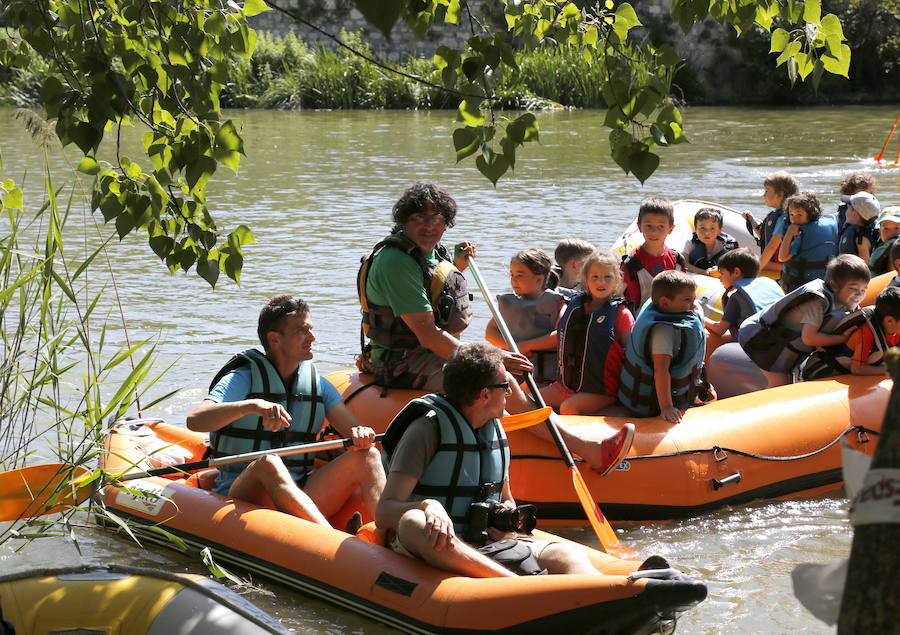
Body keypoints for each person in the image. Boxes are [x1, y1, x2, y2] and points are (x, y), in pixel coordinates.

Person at [358, 182, 623, 471]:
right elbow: (428, 334)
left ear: (447, 222)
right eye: (419, 218)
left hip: (424, 352)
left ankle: (548, 428)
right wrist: (494, 358)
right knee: (499, 377)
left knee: (498, 366)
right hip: (403, 361)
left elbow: (432, 287)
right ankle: (588, 449)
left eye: (437, 219)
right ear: (404, 220)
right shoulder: (397, 262)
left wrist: (456, 265)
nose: (429, 226)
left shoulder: (426, 253)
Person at [375, 343, 635, 578]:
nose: (511, 391)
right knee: (413, 524)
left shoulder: (496, 430)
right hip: (440, 543)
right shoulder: (426, 430)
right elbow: (384, 511)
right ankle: (512, 584)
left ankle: (613, 593)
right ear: (484, 394)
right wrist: (428, 506)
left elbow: (506, 497)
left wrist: (507, 518)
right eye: (504, 385)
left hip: (487, 544)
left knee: (568, 555)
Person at [186, 295, 386, 530]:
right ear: (275, 339)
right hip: (244, 495)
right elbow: (195, 420)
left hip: (302, 490)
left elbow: (352, 430)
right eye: (302, 331)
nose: (313, 337)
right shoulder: (243, 377)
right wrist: (252, 406)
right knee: (269, 462)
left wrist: (361, 435)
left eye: (311, 329)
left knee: (369, 456)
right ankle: (330, 539)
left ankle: (385, 538)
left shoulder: (318, 385)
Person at [738, 254, 870, 388]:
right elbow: (809, 338)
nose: (859, 295)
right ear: (834, 286)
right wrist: (841, 338)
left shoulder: (844, 302)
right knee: (780, 385)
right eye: (853, 289)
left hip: (779, 343)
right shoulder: (817, 302)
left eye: (864, 290)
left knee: (787, 381)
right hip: (759, 339)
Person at [541, 250, 636, 417]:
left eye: (608, 277)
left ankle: (619, 414)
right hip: (566, 386)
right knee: (532, 399)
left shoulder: (621, 314)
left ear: (617, 281)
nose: (602, 282)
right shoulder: (574, 306)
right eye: (595, 277)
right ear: (585, 279)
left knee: (568, 408)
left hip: (602, 390)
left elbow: (633, 354)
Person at [618, 270, 714, 423]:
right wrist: (667, 407)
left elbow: (697, 308)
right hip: (652, 404)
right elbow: (661, 370)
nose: (693, 305)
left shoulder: (659, 305)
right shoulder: (663, 331)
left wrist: (700, 318)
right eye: (688, 300)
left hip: (687, 388)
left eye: (694, 299)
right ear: (664, 302)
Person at [486, 249, 565, 384]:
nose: (514, 280)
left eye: (520, 275)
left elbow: (560, 334)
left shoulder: (557, 303)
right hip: (513, 369)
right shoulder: (509, 304)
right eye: (512, 275)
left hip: (545, 377)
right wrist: (513, 349)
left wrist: (525, 347)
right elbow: (490, 333)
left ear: (539, 279)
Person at [800, 286, 900, 380]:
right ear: (889, 321)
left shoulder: (894, 329)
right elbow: (857, 369)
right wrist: (889, 371)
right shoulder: (865, 334)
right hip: (826, 372)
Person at [620, 196, 686, 313]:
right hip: (639, 322)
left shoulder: (677, 260)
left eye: (661, 226)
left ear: (670, 229)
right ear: (639, 227)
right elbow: (617, 295)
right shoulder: (630, 263)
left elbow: (686, 294)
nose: (654, 232)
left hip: (672, 319)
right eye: (648, 226)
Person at [703, 248, 784, 342]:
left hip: (758, 346)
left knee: (711, 338)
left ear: (736, 272)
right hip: (778, 339)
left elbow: (720, 329)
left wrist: (701, 317)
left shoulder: (736, 298)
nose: (720, 279)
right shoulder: (769, 283)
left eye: (722, 274)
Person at [777, 191, 838, 293]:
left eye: (799, 214)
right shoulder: (827, 224)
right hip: (822, 285)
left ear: (810, 214)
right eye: (791, 214)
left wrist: (789, 233)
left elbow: (782, 257)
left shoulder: (801, 233)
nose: (794, 219)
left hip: (799, 287)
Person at [745, 172, 800, 274]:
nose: (763, 195)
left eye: (767, 191)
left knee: (747, 263)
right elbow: (766, 238)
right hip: (781, 264)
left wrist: (756, 270)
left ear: (780, 194)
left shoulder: (784, 218)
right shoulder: (786, 215)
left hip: (782, 265)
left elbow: (771, 247)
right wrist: (752, 221)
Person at [683, 207, 738, 274]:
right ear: (696, 229)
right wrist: (705, 272)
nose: (707, 232)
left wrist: (720, 270)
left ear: (719, 231)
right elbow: (684, 263)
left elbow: (736, 266)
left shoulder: (726, 244)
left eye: (712, 228)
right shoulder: (691, 242)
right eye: (702, 228)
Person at [837, 191, 880, 263]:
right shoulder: (866, 230)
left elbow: (865, 266)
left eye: (848, 209)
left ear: (855, 214)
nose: (846, 212)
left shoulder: (861, 240)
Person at [835, 172, 878, 236]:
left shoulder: (876, 216)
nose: (866, 200)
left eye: (868, 196)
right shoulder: (838, 218)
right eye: (860, 197)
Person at [869, 207, 900, 275]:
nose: (891, 233)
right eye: (886, 229)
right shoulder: (879, 250)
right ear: (880, 233)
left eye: (896, 228)